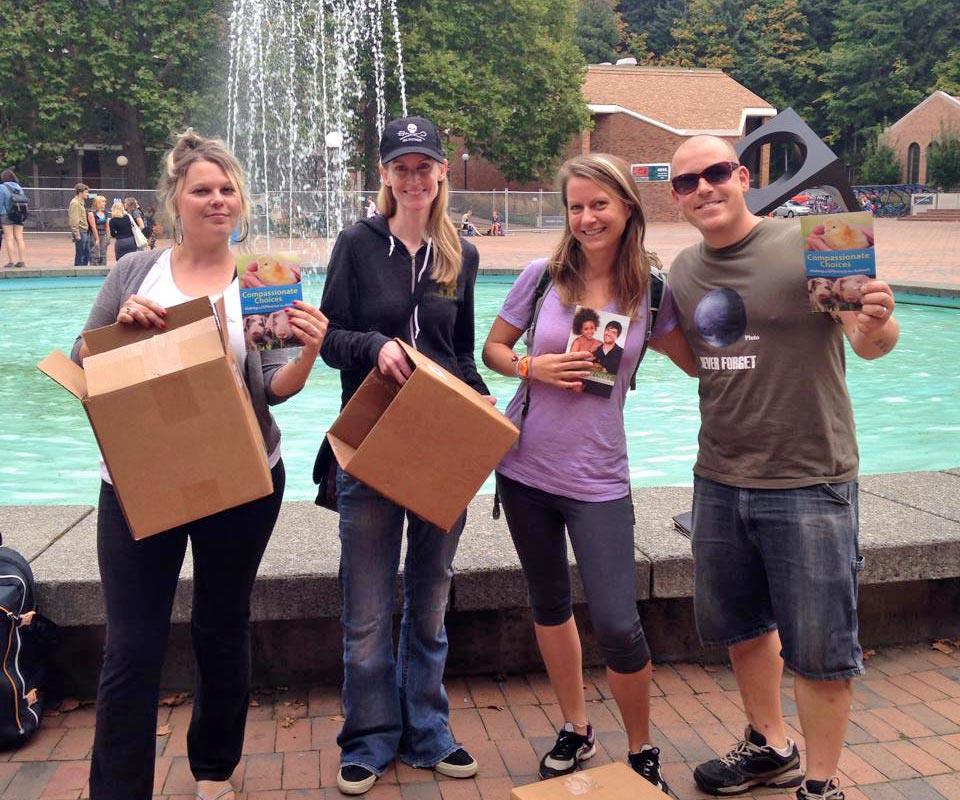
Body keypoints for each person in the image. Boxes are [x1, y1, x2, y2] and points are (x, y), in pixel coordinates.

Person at [71, 129, 328, 800]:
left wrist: (306, 352)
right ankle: (117, 789)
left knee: (221, 625)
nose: (217, 200)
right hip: (137, 477)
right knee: (131, 646)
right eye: (202, 190)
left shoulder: (264, 278)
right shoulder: (135, 271)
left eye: (227, 189)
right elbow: (81, 361)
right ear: (174, 202)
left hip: (242, 475)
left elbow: (273, 389)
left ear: (240, 200)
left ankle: (214, 768)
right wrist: (121, 328)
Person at [666, 135, 900, 800]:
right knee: (741, 628)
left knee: (821, 650)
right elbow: (691, 355)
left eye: (716, 173)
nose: (704, 188)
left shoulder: (812, 241)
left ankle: (821, 784)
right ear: (677, 198)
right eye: (688, 182)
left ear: (742, 177)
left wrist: (877, 320)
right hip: (719, 475)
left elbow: (869, 337)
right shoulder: (684, 271)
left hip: (810, 477)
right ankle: (770, 746)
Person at [482, 153, 696, 789]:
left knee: (617, 621)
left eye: (599, 203)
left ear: (627, 206)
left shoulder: (651, 294)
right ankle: (575, 728)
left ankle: (640, 748)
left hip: (599, 479)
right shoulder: (542, 277)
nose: (586, 217)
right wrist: (530, 367)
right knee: (549, 608)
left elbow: (700, 363)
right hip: (524, 470)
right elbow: (492, 349)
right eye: (576, 205)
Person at [319, 115, 488, 796]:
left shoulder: (461, 254)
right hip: (371, 444)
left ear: (442, 172)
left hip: (442, 446)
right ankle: (368, 736)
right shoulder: (357, 245)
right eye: (402, 167)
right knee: (365, 606)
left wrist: (485, 411)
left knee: (430, 597)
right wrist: (374, 347)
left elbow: (462, 354)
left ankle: (428, 729)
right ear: (384, 174)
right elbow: (329, 337)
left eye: (426, 166)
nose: (414, 178)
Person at [0, 169, 28, 268]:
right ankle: (21, 260)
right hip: (19, 214)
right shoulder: (19, 187)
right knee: (19, 238)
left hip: (6, 214)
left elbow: (1, 203)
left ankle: (11, 261)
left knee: (9, 238)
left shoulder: (2, 187)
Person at [68, 183, 91, 266]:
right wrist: (77, 234)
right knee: (80, 255)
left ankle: (83, 270)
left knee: (86, 254)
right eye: (86, 192)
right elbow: (74, 220)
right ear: (80, 193)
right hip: (81, 232)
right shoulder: (75, 203)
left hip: (84, 231)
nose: (87, 194)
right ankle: (78, 271)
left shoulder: (80, 203)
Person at [90, 194, 110, 266]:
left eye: (105, 201)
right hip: (94, 235)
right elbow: (93, 227)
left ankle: (103, 269)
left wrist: (108, 237)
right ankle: (94, 270)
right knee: (95, 253)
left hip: (103, 234)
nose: (104, 203)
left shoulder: (105, 213)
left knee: (103, 253)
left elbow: (107, 226)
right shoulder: (91, 213)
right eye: (103, 201)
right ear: (97, 203)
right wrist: (97, 239)